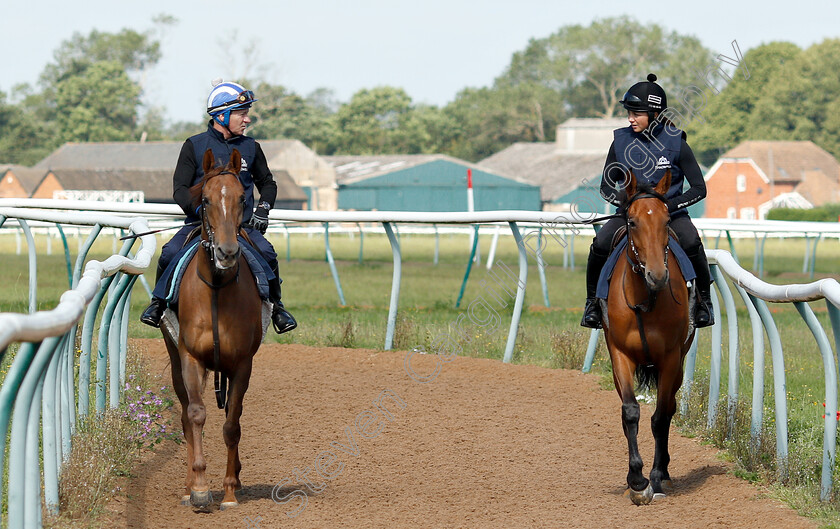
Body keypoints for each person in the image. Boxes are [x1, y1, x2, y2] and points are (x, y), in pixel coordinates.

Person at [140, 79, 297, 334]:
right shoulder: (194, 145)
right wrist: (200, 211)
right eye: (242, 114)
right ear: (222, 115)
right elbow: (180, 188)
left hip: (240, 228)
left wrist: (263, 210)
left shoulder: (251, 148)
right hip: (199, 224)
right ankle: (158, 303)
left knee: (267, 253)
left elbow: (268, 183)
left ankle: (277, 307)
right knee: (169, 253)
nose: (247, 120)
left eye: (247, 115)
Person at [580, 73, 714, 330]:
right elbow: (606, 186)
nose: (630, 118)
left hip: (670, 216)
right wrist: (628, 204)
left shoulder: (677, 143)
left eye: (636, 113)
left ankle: (703, 304)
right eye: (629, 112)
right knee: (600, 244)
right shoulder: (620, 142)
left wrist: (666, 207)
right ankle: (592, 305)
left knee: (692, 242)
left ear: (654, 114)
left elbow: (699, 188)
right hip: (630, 216)